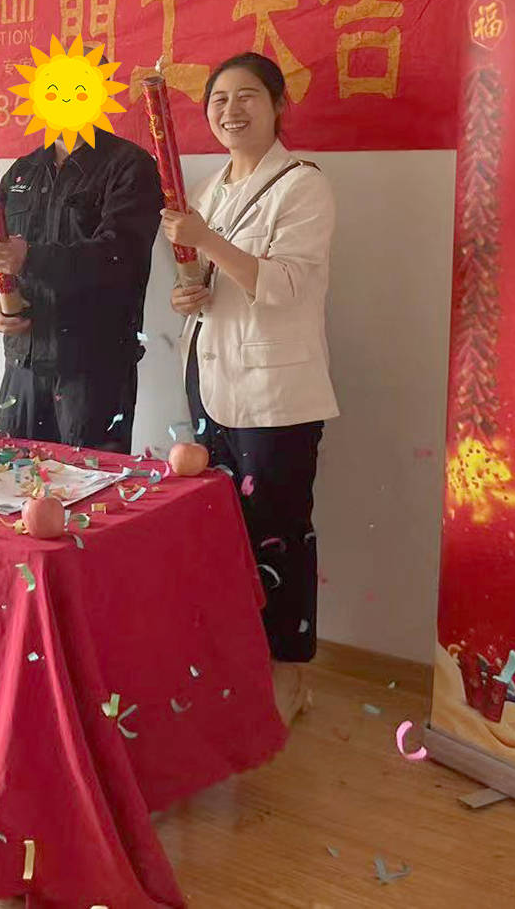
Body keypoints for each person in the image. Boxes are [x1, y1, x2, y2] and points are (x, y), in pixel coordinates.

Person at [159, 52, 338, 723]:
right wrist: (190, 293)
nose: (230, 111)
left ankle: (289, 677)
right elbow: (213, 287)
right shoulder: (210, 189)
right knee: (222, 532)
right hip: (210, 383)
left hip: (275, 397)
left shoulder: (303, 185)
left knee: (277, 536)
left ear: (277, 104)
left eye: (246, 97)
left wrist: (205, 240)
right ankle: (237, 664)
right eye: (219, 100)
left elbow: (284, 284)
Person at [0, 127, 161, 451]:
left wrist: (30, 258)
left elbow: (120, 256)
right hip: (23, 365)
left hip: (94, 369)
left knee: (89, 479)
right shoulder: (24, 170)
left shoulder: (129, 165)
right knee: (12, 473)